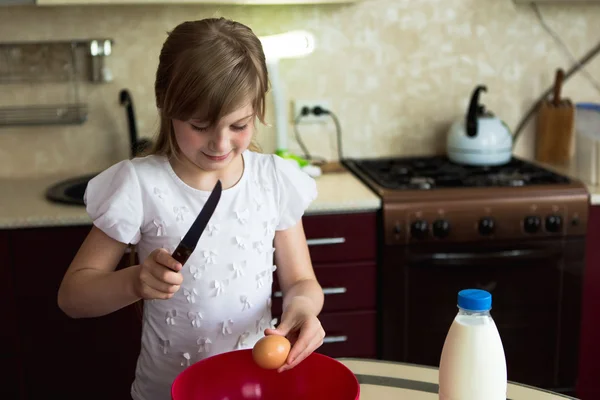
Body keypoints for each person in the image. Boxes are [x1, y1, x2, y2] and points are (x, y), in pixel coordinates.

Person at [57, 17, 324, 400]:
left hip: (253, 388)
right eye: (200, 125)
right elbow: (72, 297)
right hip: (165, 392)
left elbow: (302, 283)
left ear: (257, 109)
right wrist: (134, 282)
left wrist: (303, 309)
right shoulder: (140, 185)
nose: (220, 143)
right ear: (167, 105)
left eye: (239, 125)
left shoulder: (273, 180)